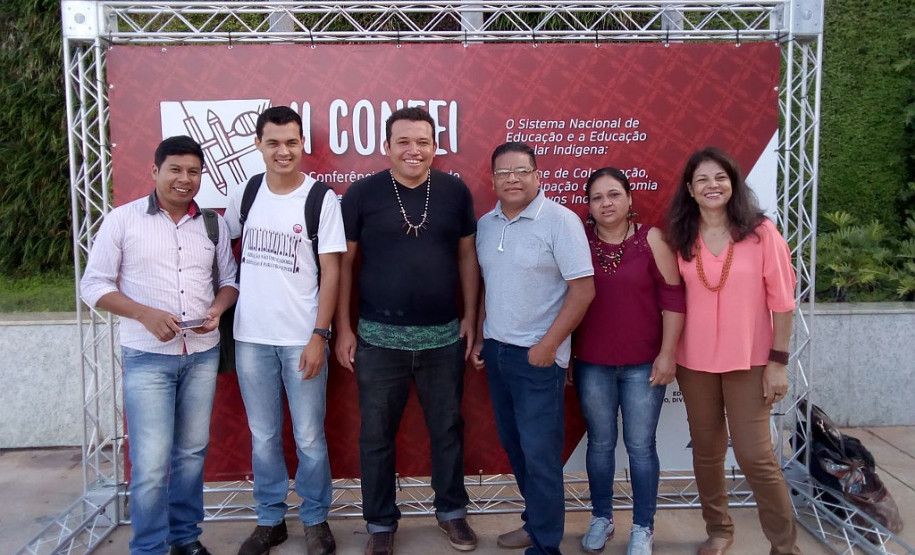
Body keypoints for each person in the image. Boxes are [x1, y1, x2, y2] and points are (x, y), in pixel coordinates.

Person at [80, 136, 238, 555]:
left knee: (190, 454)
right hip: (147, 357)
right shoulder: (123, 220)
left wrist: (218, 310)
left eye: (193, 171)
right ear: (155, 172)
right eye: (175, 170)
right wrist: (143, 314)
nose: (184, 179)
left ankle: (185, 539)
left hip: (201, 355)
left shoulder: (212, 223)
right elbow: (92, 285)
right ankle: (149, 548)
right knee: (150, 464)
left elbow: (229, 281)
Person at [335, 107, 480, 555]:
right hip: (378, 340)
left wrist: (471, 317)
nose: (413, 150)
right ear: (387, 147)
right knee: (375, 436)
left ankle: (452, 513)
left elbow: (467, 259)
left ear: (435, 147)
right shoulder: (361, 194)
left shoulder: (456, 192)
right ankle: (380, 523)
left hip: (442, 339)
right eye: (403, 141)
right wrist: (342, 327)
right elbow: (342, 264)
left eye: (422, 141)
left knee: (448, 430)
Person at [665, 147, 801, 555]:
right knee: (706, 453)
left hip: (751, 361)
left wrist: (777, 363)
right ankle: (719, 530)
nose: (712, 185)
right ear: (690, 189)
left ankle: (784, 544)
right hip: (695, 364)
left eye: (720, 178)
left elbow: (783, 302)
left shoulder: (761, 234)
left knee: (755, 456)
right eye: (702, 179)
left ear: (734, 184)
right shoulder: (679, 237)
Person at [224, 106, 346, 555]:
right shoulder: (247, 192)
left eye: (291, 142)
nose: (283, 151)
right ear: (258, 145)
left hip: (301, 337)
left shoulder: (320, 199)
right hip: (251, 336)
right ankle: (270, 519)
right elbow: (221, 249)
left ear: (302, 145)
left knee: (310, 436)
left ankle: (315, 519)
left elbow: (332, 272)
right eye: (273, 142)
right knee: (264, 435)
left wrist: (320, 334)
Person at [472, 142, 595, 555]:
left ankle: (545, 546)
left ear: (538, 175)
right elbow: (490, 286)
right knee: (516, 447)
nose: (512, 178)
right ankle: (536, 521)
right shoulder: (486, 224)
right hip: (498, 353)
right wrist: (480, 338)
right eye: (504, 172)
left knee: (541, 456)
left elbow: (583, 290)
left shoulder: (560, 221)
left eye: (521, 170)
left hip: (539, 359)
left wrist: (549, 345)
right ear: (492, 180)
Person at [571, 168, 685, 555]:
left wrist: (668, 355)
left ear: (630, 199)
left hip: (643, 364)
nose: (606, 203)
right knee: (600, 444)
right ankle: (601, 518)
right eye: (597, 197)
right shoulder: (579, 242)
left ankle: (642, 526)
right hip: (592, 363)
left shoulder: (651, 239)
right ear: (588, 205)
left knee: (640, 446)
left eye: (614, 194)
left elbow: (673, 297)